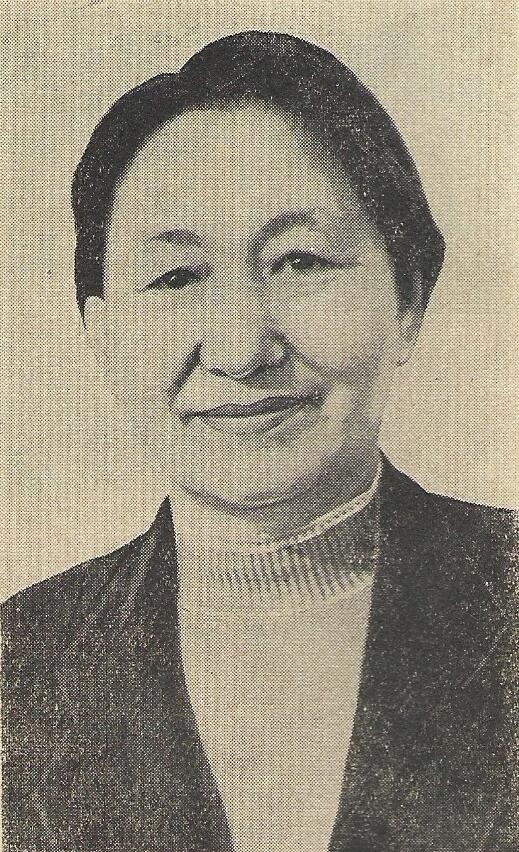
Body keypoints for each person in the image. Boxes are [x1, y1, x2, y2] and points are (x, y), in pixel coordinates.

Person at [1, 30, 516, 852]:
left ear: (408, 300)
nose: (240, 350)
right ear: (101, 334)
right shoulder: (18, 666)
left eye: (300, 262)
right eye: (176, 277)